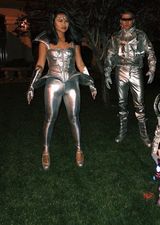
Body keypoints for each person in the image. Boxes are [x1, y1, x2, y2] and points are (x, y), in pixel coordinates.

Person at [26, 8, 97, 170]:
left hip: (72, 83)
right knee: (50, 117)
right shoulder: (45, 40)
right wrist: (32, 85)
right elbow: (40, 64)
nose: (64, 23)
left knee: (74, 117)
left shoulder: (73, 40)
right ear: (53, 21)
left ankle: (79, 149)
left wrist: (90, 82)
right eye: (60, 20)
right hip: (53, 82)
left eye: (66, 20)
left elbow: (80, 64)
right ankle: (45, 150)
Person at [104, 9, 157, 147]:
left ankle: (144, 134)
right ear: (120, 21)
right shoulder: (115, 37)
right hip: (120, 70)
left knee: (139, 103)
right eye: (123, 19)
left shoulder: (140, 35)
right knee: (122, 103)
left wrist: (152, 68)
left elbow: (150, 51)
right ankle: (122, 131)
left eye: (129, 19)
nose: (126, 22)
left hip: (135, 71)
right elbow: (110, 54)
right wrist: (107, 72)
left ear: (133, 20)